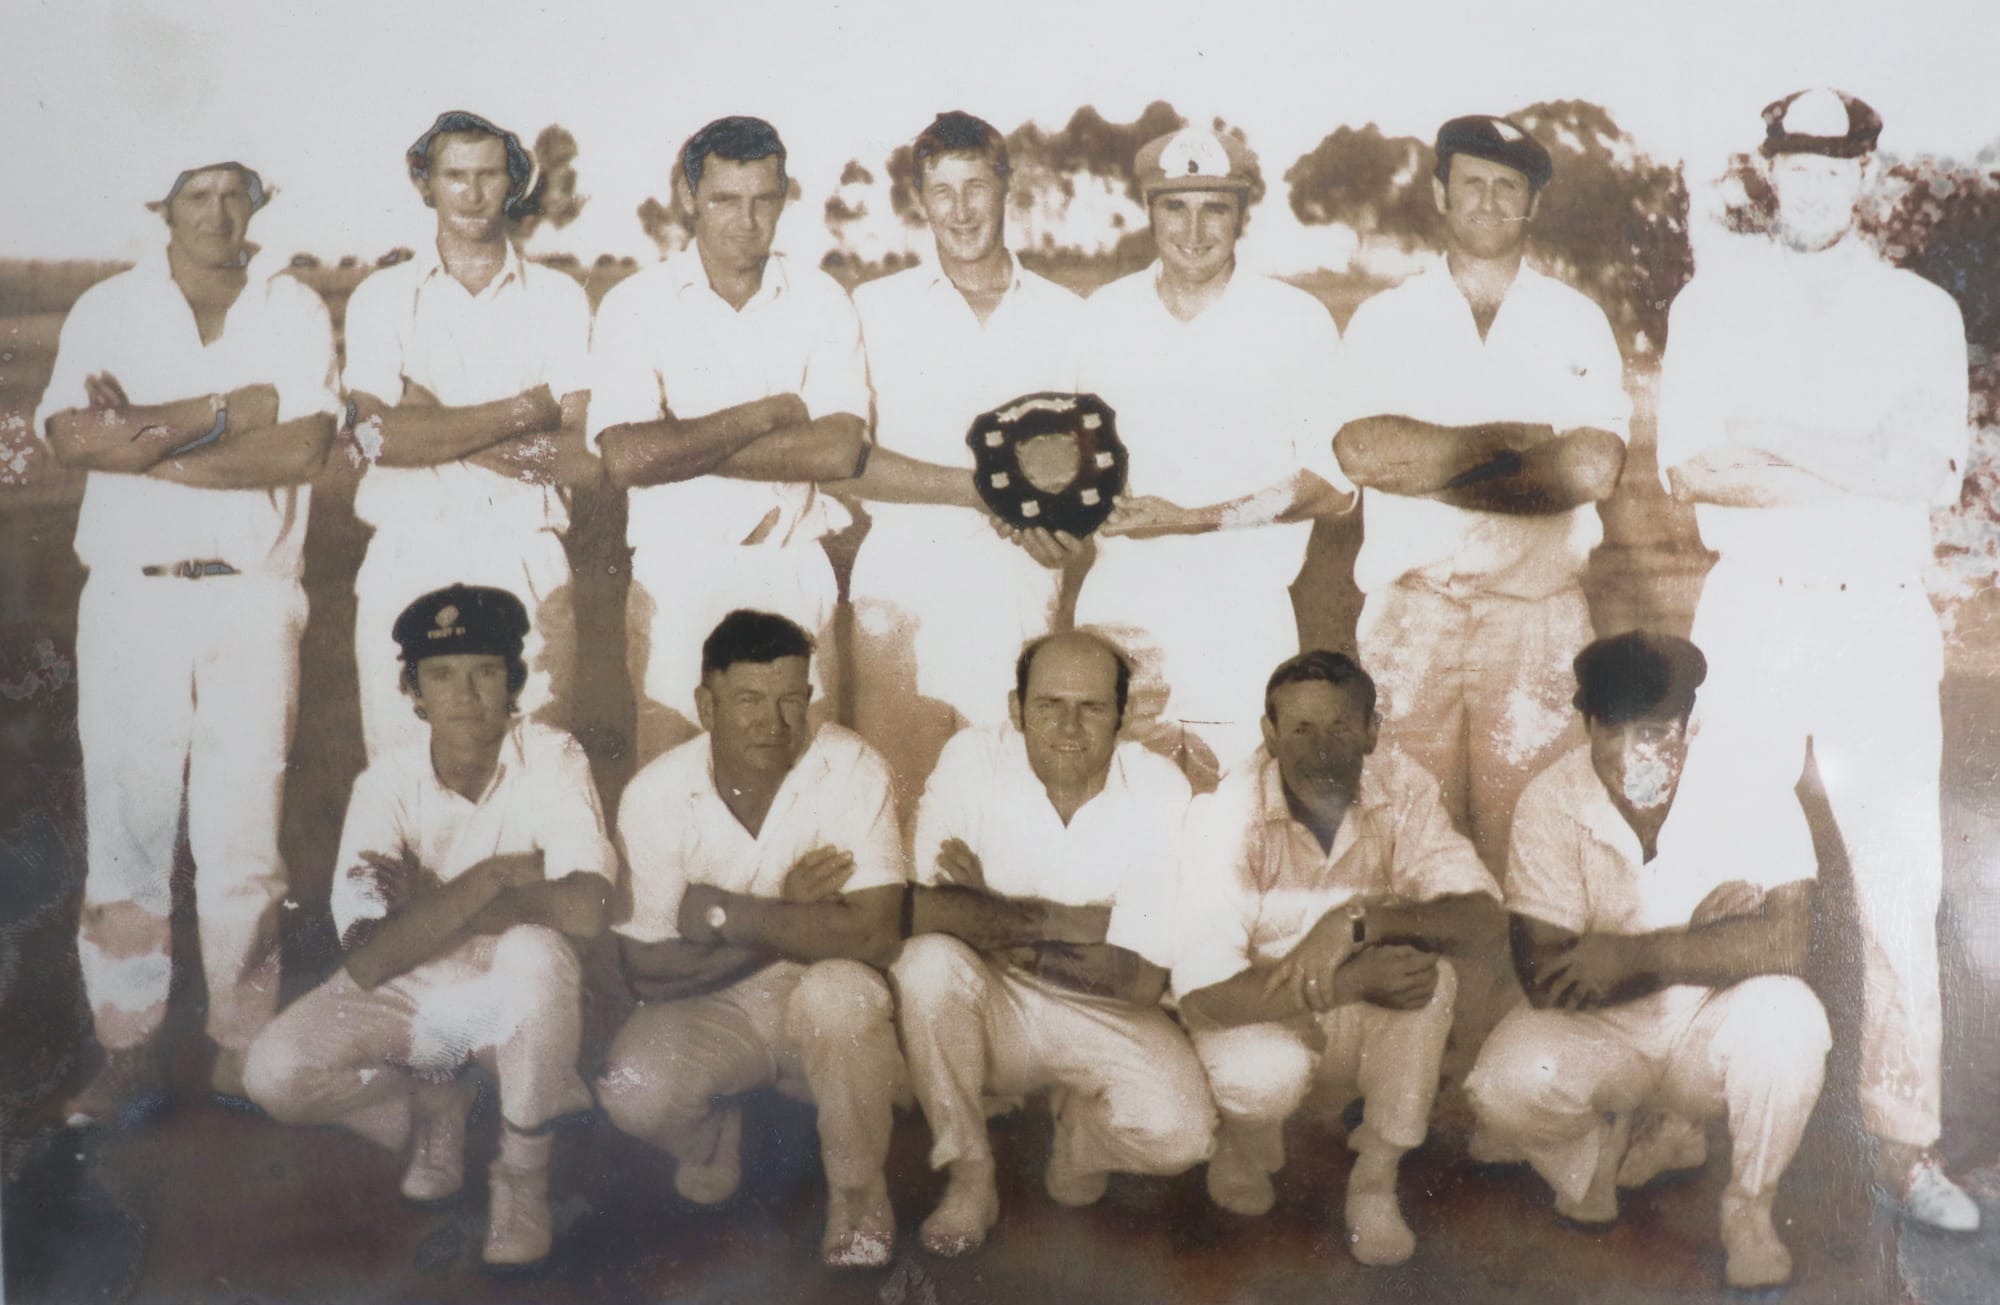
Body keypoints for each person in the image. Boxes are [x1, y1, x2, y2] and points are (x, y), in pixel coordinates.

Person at [1655, 88, 1978, 1232]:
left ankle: (1904, 1143)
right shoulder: (1712, 302)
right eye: (1795, 168)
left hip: (1876, 617)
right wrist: (1859, 462)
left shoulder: (1918, 312)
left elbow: (1930, 476)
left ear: (1864, 178)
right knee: (1715, 856)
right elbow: (1694, 468)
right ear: (1767, 170)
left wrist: (1777, 439)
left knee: (1898, 883)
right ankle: (1682, 1103)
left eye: (1835, 172)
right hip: (1752, 609)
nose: (1814, 189)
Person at [36, 151, 339, 1121]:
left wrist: (150, 448)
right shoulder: (108, 308)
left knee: (243, 843)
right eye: (194, 195)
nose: (216, 213)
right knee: (127, 838)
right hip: (133, 602)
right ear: (160, 205)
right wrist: (222, 413)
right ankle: (126, 1047)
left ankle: (240, 1045)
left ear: (257, 203)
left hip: (252, 597)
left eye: (232, 193)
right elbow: (74, 437)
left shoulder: (289, 308)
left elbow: (300, 447)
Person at [243, 585, 616, 1268]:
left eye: (485, 671)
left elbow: (587, 910)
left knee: (535, 949)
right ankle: (434, 1101)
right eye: (441, 675)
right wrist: (492, 877)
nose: (466, 694)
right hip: (414, 989)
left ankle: (522, 1174)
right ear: (412, 691)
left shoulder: (556, 755)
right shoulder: (384, 781)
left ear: (515, 681)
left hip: (520, 997)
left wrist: (430, 901)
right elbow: (368, 956)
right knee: (272, 1072)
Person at [1464, 632, 1831, 1289]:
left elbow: (1788, 945)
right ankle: (1596, 1152)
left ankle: (1749, 1205)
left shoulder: (1748, 778)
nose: (1635, 752)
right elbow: (1545, 975)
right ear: (1586, 723)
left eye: (1656, 731)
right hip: (1606, 1027)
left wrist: (1634, 950)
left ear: (1687, 727)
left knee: (1791, 1021)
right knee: (1501, 1085)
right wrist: (1712, 941)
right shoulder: (1550, 799)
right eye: (1614, 729)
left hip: (1710, 1020)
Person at [1331, 115, 1631, 875]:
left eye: (1510, 187)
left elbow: (1591, 470)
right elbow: (1364, 450)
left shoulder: (1574, 319)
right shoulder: (1386, 317)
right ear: (1441, 192)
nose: (1490, 202)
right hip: (1413, 615)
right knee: (1403, 842)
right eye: (1473, 183)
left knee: (1534, 844)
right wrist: (1521, 447)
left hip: (1536, 620)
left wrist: (1430, 459)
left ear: (1532, 205)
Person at [594, 610, 908, 1269]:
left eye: (793, 699)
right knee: (631, 1089)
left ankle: (858, 1192)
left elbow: (876, 935)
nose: (775, 722)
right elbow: (647, 970)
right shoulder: (656, 792)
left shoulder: (851, 766)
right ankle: (712, 1128)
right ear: (705, 705)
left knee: (844, 994)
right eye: (749, 701)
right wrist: (790, 915)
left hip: (820, 992)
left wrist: (726, 917)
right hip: (715, 1007)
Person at [889, 631, 1214, 1258]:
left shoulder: (1159, 787)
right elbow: (922, 909)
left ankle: (1079, 1142)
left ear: (1122, 716)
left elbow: (1144, 979)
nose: (1069, 725)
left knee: (1182, 1137)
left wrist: (994, 915)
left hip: (1105, 1005)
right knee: (927, 964)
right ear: (1017, 708)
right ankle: (970, 1175)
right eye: (1049, 704)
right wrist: (1085, 922)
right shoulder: (970, 758)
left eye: (1092, 707)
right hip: (990, 1001)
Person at [1175, 650, 1501, 1265]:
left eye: (1340, 727)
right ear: (1269, 735)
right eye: (1299, 729)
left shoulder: (1403, 787)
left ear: (1372, 729)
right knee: (1258, 1080)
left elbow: (1483, 920)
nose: (1321, 749)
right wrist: (1347, 980)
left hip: (1346, 1002)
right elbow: (1204, 992)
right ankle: (1245, 1141)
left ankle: (1375, 1176)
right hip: (1252, 1011)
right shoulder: (1224, 814)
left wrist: (1359, 922)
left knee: (1427, 980)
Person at [1074, 128, 1354, 784]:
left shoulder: (1296, 319)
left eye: (1215, 208)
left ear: (1241, 216)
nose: (1194, 230)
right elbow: (1072, 464)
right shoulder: (1100, 317)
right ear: (1149, 209)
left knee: (1232, 828)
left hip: (1243, 620)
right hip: (1121, 611)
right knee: (1124, 822)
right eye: (1175, 206)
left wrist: (1192, 517)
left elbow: (1332, 485)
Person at [590, 117, 870, 760]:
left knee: (805, 782)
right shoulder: (636, 303)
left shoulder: (821, 299)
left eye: (763, 200)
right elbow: (626, 457)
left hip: (793, 566)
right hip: (678, 577)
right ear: (689, 197)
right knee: (671, 782)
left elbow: (836, 450)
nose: (745, 220)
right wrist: (768, 413)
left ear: (782, 197)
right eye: (723, 199)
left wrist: (677, 441)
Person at [840, 110, 1087, 813]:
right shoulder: (871, 310)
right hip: (901, 585)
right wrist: (982, 491)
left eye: (976, 186)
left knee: (1007, 809)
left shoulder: (1068, 316)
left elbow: (1086, 465)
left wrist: (1061, 523)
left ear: (1007, 187)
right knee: (898, 800)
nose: (960, 209)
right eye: (941, 191)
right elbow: (840, 462)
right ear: (919, 201)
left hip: (1020, 583)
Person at [344, 111, 595, 760]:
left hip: (524, 557)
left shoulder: (560, 298)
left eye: (490, 175)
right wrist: (526, 408)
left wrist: (429, 423)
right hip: (408, 557)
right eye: (455, 176)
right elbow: (375, 439)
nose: (474, 193)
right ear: (424, 183)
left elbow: (578, 454)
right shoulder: (382, 297)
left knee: (535, 775)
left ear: (513, 182)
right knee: (407, 782)